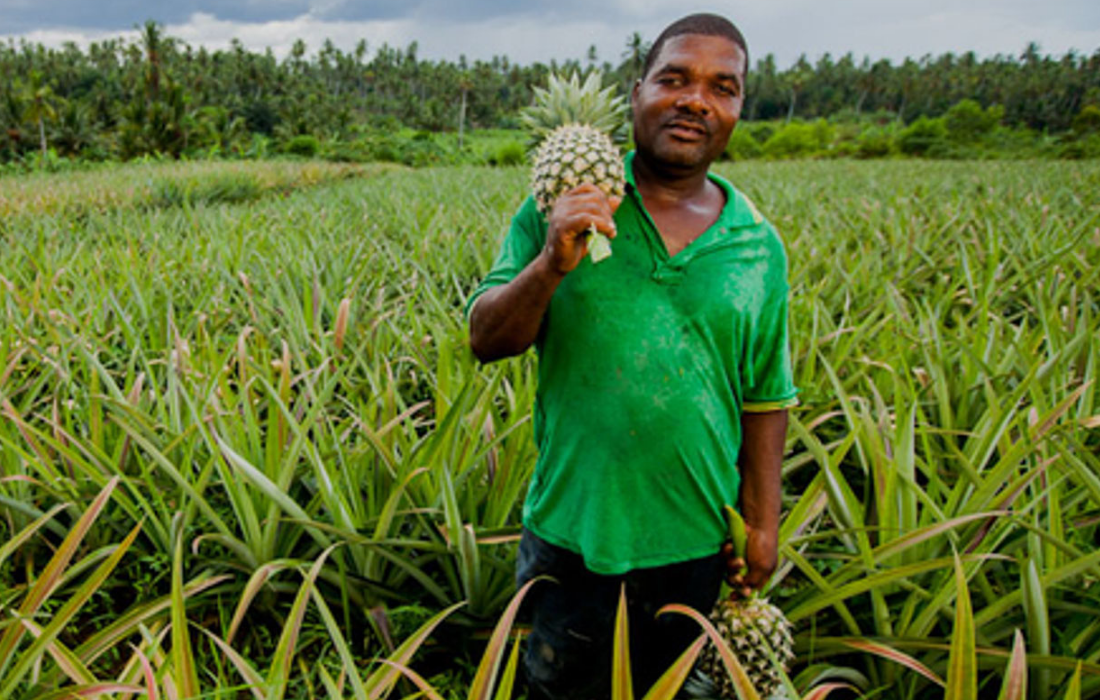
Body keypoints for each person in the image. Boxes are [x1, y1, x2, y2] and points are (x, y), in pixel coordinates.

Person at [466, 13, 798, 699]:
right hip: (570, 536)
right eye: (673, 78)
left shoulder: (758, 246)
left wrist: (763, 523)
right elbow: (486, 339)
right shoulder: (559, 202)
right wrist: (552, 264)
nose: (694, 100)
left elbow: (766, 394)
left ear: (738, 109)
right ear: (638, 90)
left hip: (698, 544)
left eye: (721, 87)